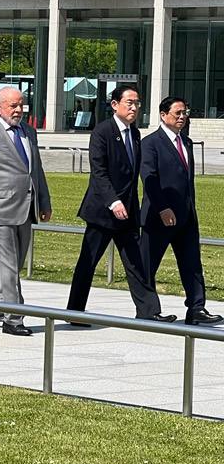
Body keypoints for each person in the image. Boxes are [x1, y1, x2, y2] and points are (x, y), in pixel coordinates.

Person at [67, 84, 174, 324]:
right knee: (88, 262)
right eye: (130, 103)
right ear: (115, 105)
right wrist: (113, 201)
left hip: (127, 213)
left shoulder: (135, 134)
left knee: (136, 263)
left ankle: (149, 311)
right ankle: (74, 312)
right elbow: (99, 172)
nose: (134, 107)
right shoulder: (102, 131)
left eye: (137, 103)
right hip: (103, 212)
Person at [0, 87, 51, 336]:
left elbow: (36, 171)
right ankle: (13, 318)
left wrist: (44, 202)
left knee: (11, 265)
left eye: (21, 105)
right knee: (9, 267)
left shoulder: (28, 132)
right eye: (12, 105)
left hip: (26, 208)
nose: (18, 110)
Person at [140, 96, 222, 326]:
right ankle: (148, 310)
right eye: (177, 113)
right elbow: (149, 178)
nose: (182, 117)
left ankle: (196, 308)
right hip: (158, 216)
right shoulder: (150, 143)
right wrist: (162, 208)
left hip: (186, 216)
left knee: (192, 264)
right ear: (163, 115)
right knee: (147, 265)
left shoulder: (186, 142)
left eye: (184, 113)